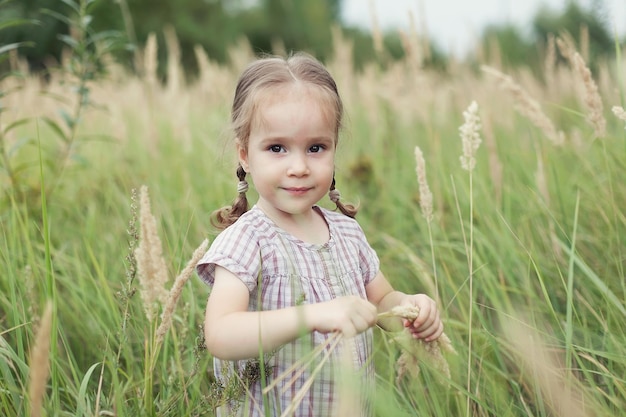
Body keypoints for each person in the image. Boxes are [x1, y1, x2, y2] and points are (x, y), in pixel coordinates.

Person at [196, 52, 444, 417]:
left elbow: (381, 303)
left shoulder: (347, 233)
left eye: (316, 148)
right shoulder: (249, 240)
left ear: (333, 148)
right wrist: (311, 316)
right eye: (277, 148)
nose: (299, 167)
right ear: (245, 155)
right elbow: (220, 333)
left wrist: (411, 308)